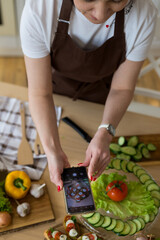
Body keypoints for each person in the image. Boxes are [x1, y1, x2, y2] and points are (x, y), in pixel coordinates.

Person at [20, 0, 157, 191]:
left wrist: (105, 131)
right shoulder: (40, 8)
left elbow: (122, 89)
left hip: (105, 96)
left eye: (116, 0)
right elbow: (40, 92)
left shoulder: (144, 14)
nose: (100, 15)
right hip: (54, 90)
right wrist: (52, 151)